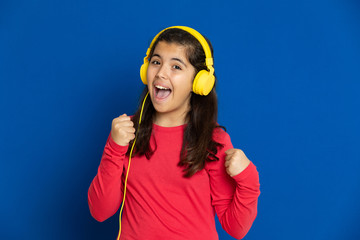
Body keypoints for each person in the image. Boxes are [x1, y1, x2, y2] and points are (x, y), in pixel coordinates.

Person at [88, 26, 260, 240]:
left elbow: (236, 228)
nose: (161, 73)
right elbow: (100, 211)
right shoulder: (127, 132)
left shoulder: (213, 141)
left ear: (199, 82)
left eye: (176, 66)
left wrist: (249, 179)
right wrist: (114, 148)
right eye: (156, 62)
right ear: (145, 69)